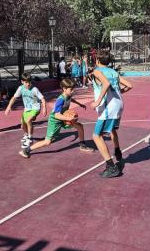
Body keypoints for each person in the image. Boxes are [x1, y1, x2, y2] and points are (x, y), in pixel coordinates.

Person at [19, 78, 93, 157]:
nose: (73, 91)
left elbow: (71, 100)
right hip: (55, 120)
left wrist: (79, 104)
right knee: (48, 141)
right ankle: (26, 150)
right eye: (71, 89)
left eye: (73, 89)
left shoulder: (68, 95)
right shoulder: (60, 100)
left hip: (63, 118)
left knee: (80, 126)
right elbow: (56, 115)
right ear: (64, 89)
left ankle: (82, 145)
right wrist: (69, 119)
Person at [91, 49, 133, 178]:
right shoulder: (113, 72)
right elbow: (129, 85)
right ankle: (117, 151)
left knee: (96, 136)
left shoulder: (97, 71)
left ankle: (111, 166)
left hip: (109, 108)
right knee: (112, 129)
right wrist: (117, 94)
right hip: (119, 104)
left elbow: (106, 83)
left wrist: (97, 102)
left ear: (97, 61)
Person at [5, 73, 47, 147]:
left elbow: (42, 99)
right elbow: (14, 98)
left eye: (29, 82)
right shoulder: (21, 88)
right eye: (26, 82)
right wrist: (8, 107)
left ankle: (30, 138)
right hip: (27, 109)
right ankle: (27, 134)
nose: (28, 84)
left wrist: (44, 108)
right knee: (22, 126)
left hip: (35, 108)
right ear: (22, 82)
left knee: (28, 120)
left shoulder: (34, 89)